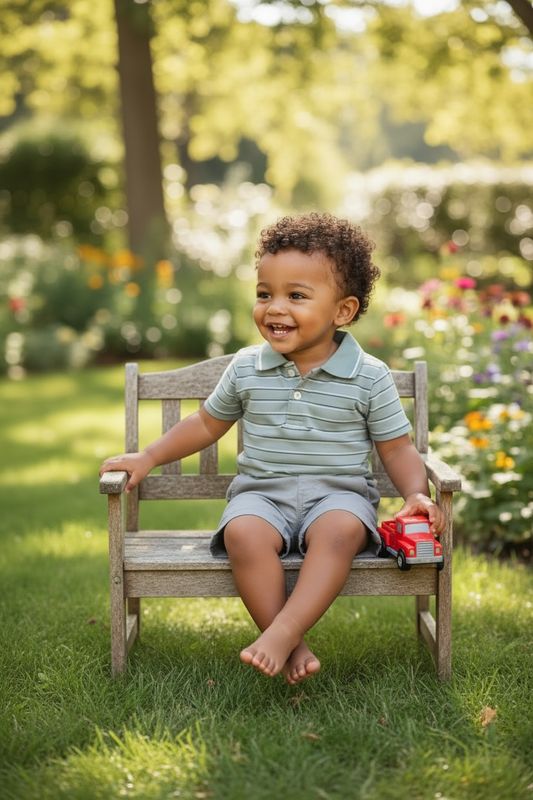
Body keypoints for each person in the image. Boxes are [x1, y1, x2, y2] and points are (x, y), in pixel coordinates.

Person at [100, 212, 445, 685]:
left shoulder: (369, 376)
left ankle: (281, 633)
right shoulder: (246, 368)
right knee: (242, 533)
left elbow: (397, 448)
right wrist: (148, 457)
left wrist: (414, 494)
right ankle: (289, 639)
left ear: (342, 311)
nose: (274, 308)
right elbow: (204, 423)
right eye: (265, 294)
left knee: (342, 530)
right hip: (261, 494)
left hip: (337, 496)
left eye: (296, 296)